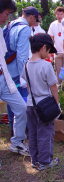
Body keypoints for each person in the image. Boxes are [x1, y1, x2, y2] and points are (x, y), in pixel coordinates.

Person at [22, 33, 59, 170]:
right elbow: (53, 87)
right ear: (43, 47)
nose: (49, 54)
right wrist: (57, 104)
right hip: (45, 106)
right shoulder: (46, 65)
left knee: (32, 133)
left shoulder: (26, 64)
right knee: (45, 133)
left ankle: (34, 160)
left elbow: (26, 83)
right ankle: (45, 162)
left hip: (30, 105)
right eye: (49, 50)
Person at [0, 0, 29, 156]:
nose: (7, 17)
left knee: (21, 108)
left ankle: (17, 142)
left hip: (4, 79)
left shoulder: (1, 29)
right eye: (6, 13)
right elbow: (22, 55)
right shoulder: (22, 29)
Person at [48, 7, 64, 84]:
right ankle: (60, 89)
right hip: (57, 52)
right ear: (55, 15)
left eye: (61, 14)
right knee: (58, 71)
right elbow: (50, 38)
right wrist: (51, 52)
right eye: (57, 14)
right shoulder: (53, 24)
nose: (59, 16)